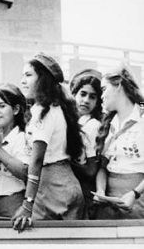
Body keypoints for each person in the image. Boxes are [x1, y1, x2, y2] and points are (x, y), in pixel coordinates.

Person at [12, 53, 84, 231]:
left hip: (55, 190)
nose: (23, 81)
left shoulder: (44, 110)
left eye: (28, 75)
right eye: (22, 75)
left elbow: (36, 160)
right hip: (61, 185)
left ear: (42, 79)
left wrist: (27, 205)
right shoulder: (55, 107)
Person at [93, 67, 144, 219]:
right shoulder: (109, 124)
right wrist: (100, 191)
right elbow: (103, 167)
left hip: (137, 200)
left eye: (104, 89)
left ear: (119, 85)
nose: (101, 96)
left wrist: (134, 194)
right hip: (108, 203)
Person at [0, 84, 29, 217]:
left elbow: (24, 171)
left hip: (13, 199)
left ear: (16, 109)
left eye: (2, 106)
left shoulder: (21, 137)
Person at [69, 69, 102, 218]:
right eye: (83, 94)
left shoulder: (92, 126)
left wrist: (65, 163)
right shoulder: (70, 122)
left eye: (92, 97)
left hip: (84, 190)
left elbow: (90, 170)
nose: (86, 100)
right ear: (74, 94)